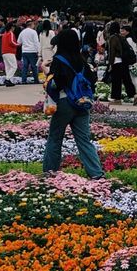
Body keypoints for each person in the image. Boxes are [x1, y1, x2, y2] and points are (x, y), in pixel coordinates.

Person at [43, 29, 103, 179]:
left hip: (65, 103)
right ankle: (96, 174)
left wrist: (46, 72)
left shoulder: (59, 59)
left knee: (55, 138)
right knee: (84, 140)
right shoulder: (81, 60)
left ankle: (50, 173)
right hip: (82, 104)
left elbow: (57, 84)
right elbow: (92, 81)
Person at [107, 21, 136, 103]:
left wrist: (110, 64)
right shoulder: (121, 37)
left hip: (116, 61)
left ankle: (117, 98)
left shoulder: (112, 38)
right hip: (124, 61)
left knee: (116, 81)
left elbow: (112, 52)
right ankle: (134, 95)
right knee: (127, 79)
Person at [18, 19, 40, 84]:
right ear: (31, 25)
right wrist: (38, 51)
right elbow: (36, 42)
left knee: (25, 67)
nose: (34, 25)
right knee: (34, 66)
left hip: (24, 51)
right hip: (32, 51)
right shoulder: (33, 32)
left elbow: (19, 42)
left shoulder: (22, 32)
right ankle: (36, 80)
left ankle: (23, 80)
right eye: (33, 24)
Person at [1, 21, 19, 86]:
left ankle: (9, 81)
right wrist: (18, 44)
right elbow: (11, 42)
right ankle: (7, 79)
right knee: (14, 66)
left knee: (8, 67)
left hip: (4, 52)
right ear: (11, 27)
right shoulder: (10, 33)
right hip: (10, 52)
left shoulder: (4, 34)